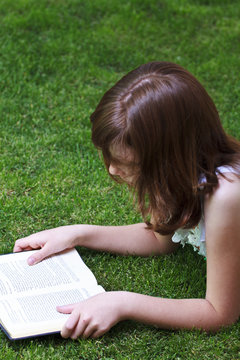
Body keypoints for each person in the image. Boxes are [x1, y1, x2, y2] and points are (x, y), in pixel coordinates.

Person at [13, 62, 240, 340]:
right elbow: (161, 239)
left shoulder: (227, 195)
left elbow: (220, 312)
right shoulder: (182, 176)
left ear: (169, 158)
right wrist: (79, 233)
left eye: (127, 163)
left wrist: (123, 303)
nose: (112, 170)